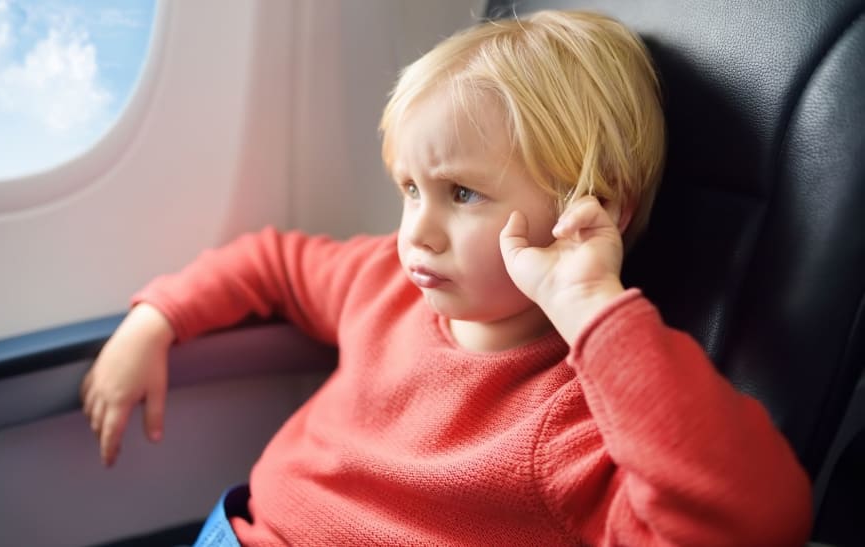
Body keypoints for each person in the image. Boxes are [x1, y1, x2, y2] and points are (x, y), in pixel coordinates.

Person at [80, 10, 812, 546]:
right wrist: (157, 320)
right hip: (234, 527)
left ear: (588, 211)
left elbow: (752, 518)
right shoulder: (385, 282)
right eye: (409, 189)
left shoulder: (569, 421)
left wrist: (595, 307)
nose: (416, 232)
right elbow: (271, 262)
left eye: (461, 194)